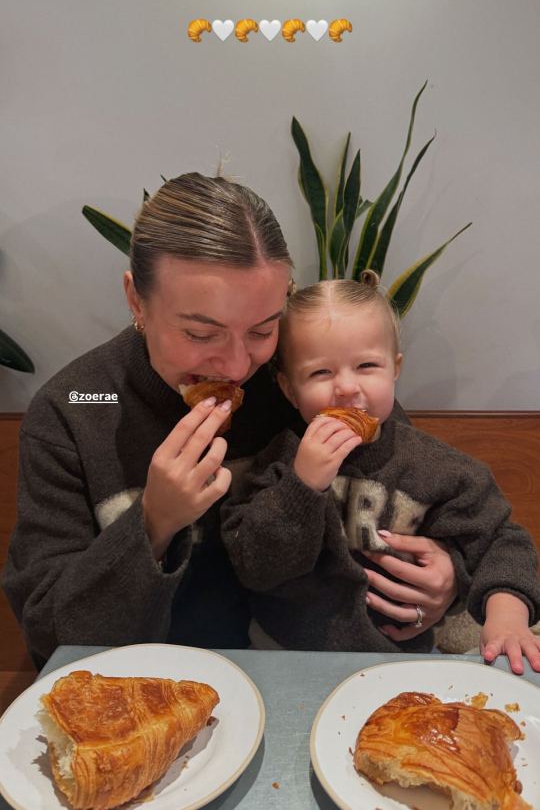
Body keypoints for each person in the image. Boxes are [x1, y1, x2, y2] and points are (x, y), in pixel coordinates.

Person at [3, 174, 457, 668]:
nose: (238, 366)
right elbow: (50, 630)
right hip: (138, 682)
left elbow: (412, 489)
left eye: (263, 330)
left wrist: (448, 574)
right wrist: (154, 522)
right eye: (201, 334)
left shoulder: (303, 381)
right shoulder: (74, 407)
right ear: (137, 300)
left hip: (299, 669)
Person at [221, 274, 540, 673]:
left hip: (399, 657)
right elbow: (255, 565)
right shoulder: (280, 461)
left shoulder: (434, 466)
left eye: (367, 365)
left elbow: (499, 539)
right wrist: (301, 485)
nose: (347, 388)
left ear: (395, 369)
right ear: (289, 390)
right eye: (321, 373)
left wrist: (506, 615)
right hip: (280, 652)